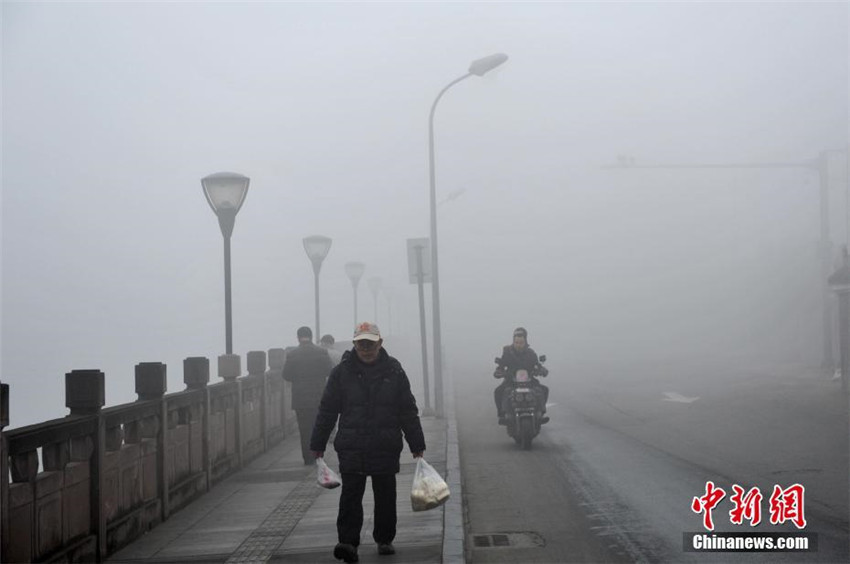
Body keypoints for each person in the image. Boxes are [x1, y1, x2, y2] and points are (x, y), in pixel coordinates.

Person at [310, 322, 425, 563]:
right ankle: (348, 542)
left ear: (380, 343)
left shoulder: (394, 370)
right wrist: (318, 443)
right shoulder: (341, 373)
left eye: (370, 344)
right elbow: (327, 410)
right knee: (351, 495)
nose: (366, 349)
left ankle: (384, 538)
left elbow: (407, 409)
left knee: (385, 494)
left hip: (385, 443)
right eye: (361, 344)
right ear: (354, 344)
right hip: (352, 444)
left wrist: (417, 444)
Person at [282, 326, 334, 465]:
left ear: (298, 337)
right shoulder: (321, 352)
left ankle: (308, 457)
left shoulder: (292, 354)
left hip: (300, 398)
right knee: (318, 427)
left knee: (304, 429)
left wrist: (298, 378)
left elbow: (286, 375)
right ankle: (318, 455)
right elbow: (329, 370)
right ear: (311, 337)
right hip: (318, 396)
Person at [493, 326, 549, 424]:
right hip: (511, 380)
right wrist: (499, 371)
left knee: (543, 390)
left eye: (521, 342)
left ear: (525, 341)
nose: (519, 345)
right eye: (517, 342)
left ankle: (540, 413)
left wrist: (542, 370)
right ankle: (502, 414)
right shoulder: (507, 353)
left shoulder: (531, 353)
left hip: (529, 380)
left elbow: (537, 365)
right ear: (513, 341)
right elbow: (501, 365)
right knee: (499, 391)